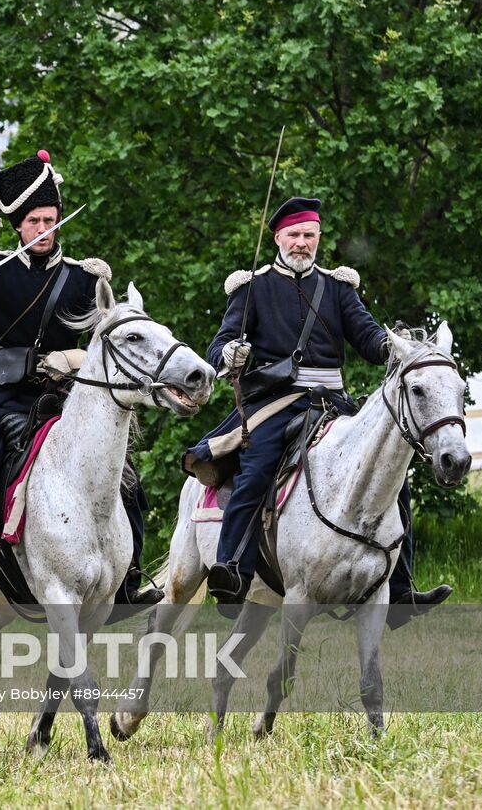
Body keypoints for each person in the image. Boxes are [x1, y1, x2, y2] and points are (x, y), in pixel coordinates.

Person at [0, 150, 160, 618]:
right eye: (35, 221)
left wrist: (71, 358)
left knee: (124, 477)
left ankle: (127, 581)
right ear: (18, 226)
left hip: (64, 395)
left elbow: (105, 343)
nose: (45, 229)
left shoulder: (83, 278)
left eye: (51, 220)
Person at [189, 196, 452, 618]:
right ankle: (233, 569)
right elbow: (219, 345)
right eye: (294, 234)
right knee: (255, 469)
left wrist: (393, 347)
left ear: (318, 238)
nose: (302, 243)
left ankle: (401, 588)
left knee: (392, 472)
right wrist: (230, 354)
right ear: (278, 238)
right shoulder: (253, 287)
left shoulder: (338, 287)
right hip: (276, 403)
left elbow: (368, 337)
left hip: (334, 404)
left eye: (309, 235)